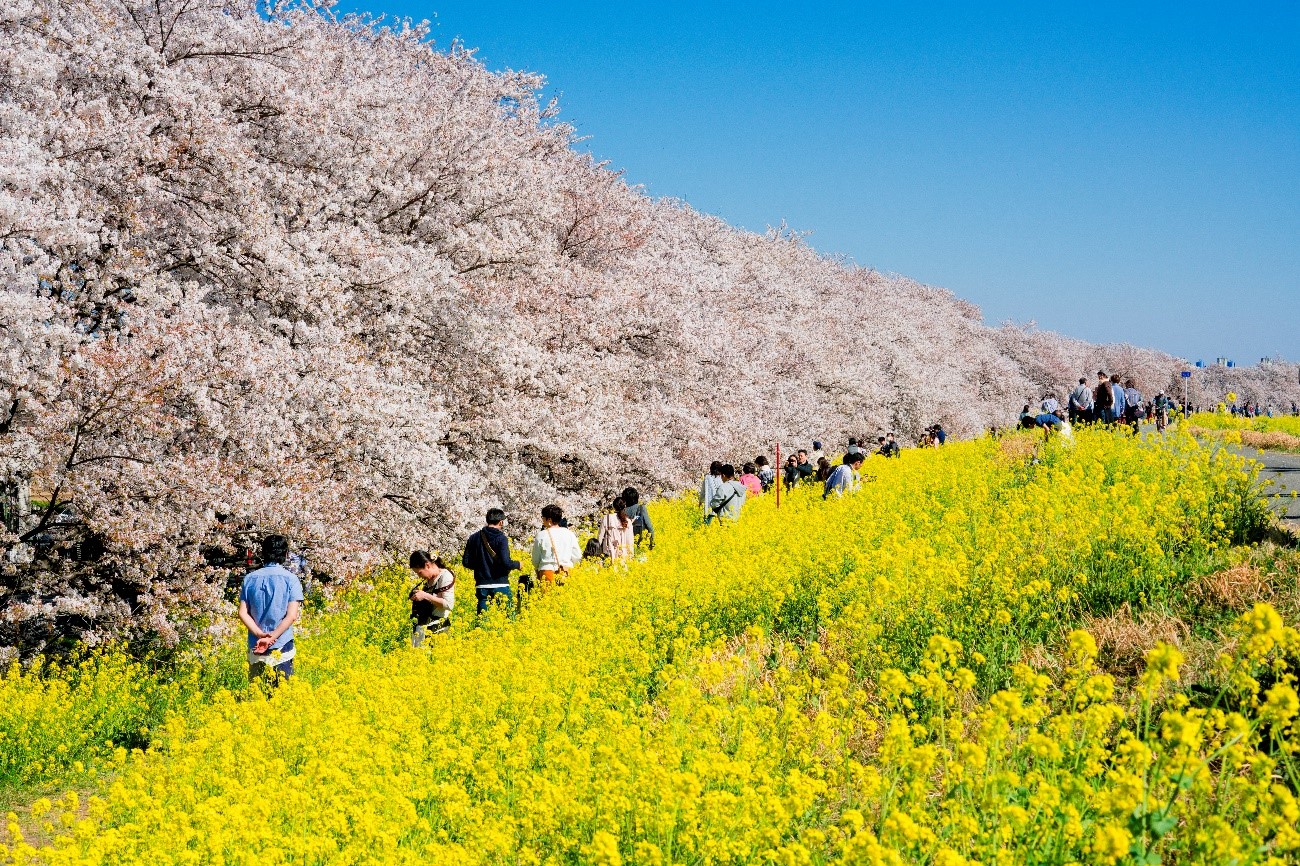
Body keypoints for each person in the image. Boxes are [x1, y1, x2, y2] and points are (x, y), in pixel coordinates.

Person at [238, 534, 304, 683]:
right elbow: (291, 615)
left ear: (263, 553)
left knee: (258, 694)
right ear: (286, 554)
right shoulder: (291, 579)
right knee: (282, 696)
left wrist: (260, 635)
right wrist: (272, 638)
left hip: (256, 646)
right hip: (282, 645)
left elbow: (242, 612)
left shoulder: (250, 578)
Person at [462, 508, 520, 613]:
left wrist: (481, 567)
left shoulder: (473, 538)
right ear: (501, 522)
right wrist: (518, 564)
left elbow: (466, 562)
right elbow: (506, 563)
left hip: (481, 584)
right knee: (508, 618)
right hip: (500, 583)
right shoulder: (501, 538)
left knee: (482, 619)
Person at [408, 551, 454, 646]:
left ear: (427, 565)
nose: (419, 576)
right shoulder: (429, 579)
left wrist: (425, 595)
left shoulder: (445, 576)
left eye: (419, 573)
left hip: (438, 628)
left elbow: (449, 605)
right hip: (424, 625)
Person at [530, 503, 582, 586]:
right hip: (565, 572)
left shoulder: (541, 535)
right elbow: (577, 556)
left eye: (543, 517)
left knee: (547, 598)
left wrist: (537, 568)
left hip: (547, 573)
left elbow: (535, 560)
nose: (542, 520)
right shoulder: (569, 534)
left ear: (549, 520)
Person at [597, 496, 635, 561]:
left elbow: (600, 537)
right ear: (625, 506)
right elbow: (630, 541)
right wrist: (631, 556)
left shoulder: (607, 518)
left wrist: (597, 554)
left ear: (613, 506)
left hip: (609, 554)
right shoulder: (628, 521)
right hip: (623, 555)